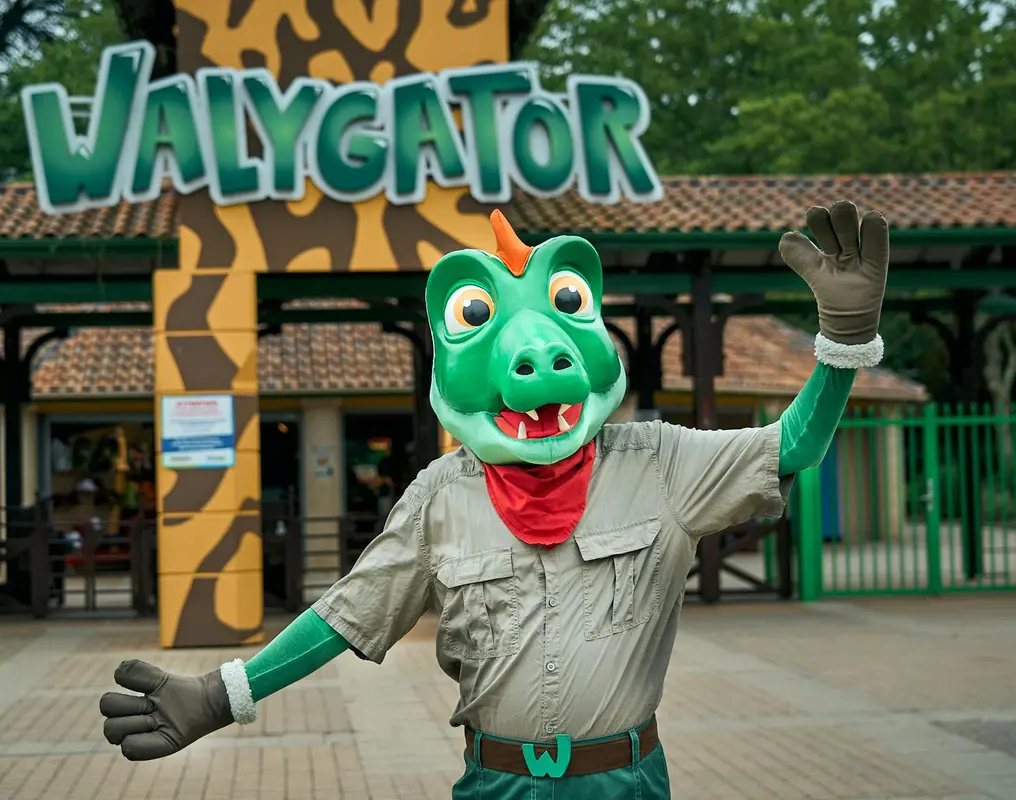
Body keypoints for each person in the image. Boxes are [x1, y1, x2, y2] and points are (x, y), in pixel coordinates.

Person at [99, 203, 889, 798]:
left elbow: (791, 446)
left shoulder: (661, 461)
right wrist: (222, 694)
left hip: (624, 782)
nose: (537, 364)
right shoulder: (441, 496)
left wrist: (844, 340)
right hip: (496, 783)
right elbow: (348, 612)